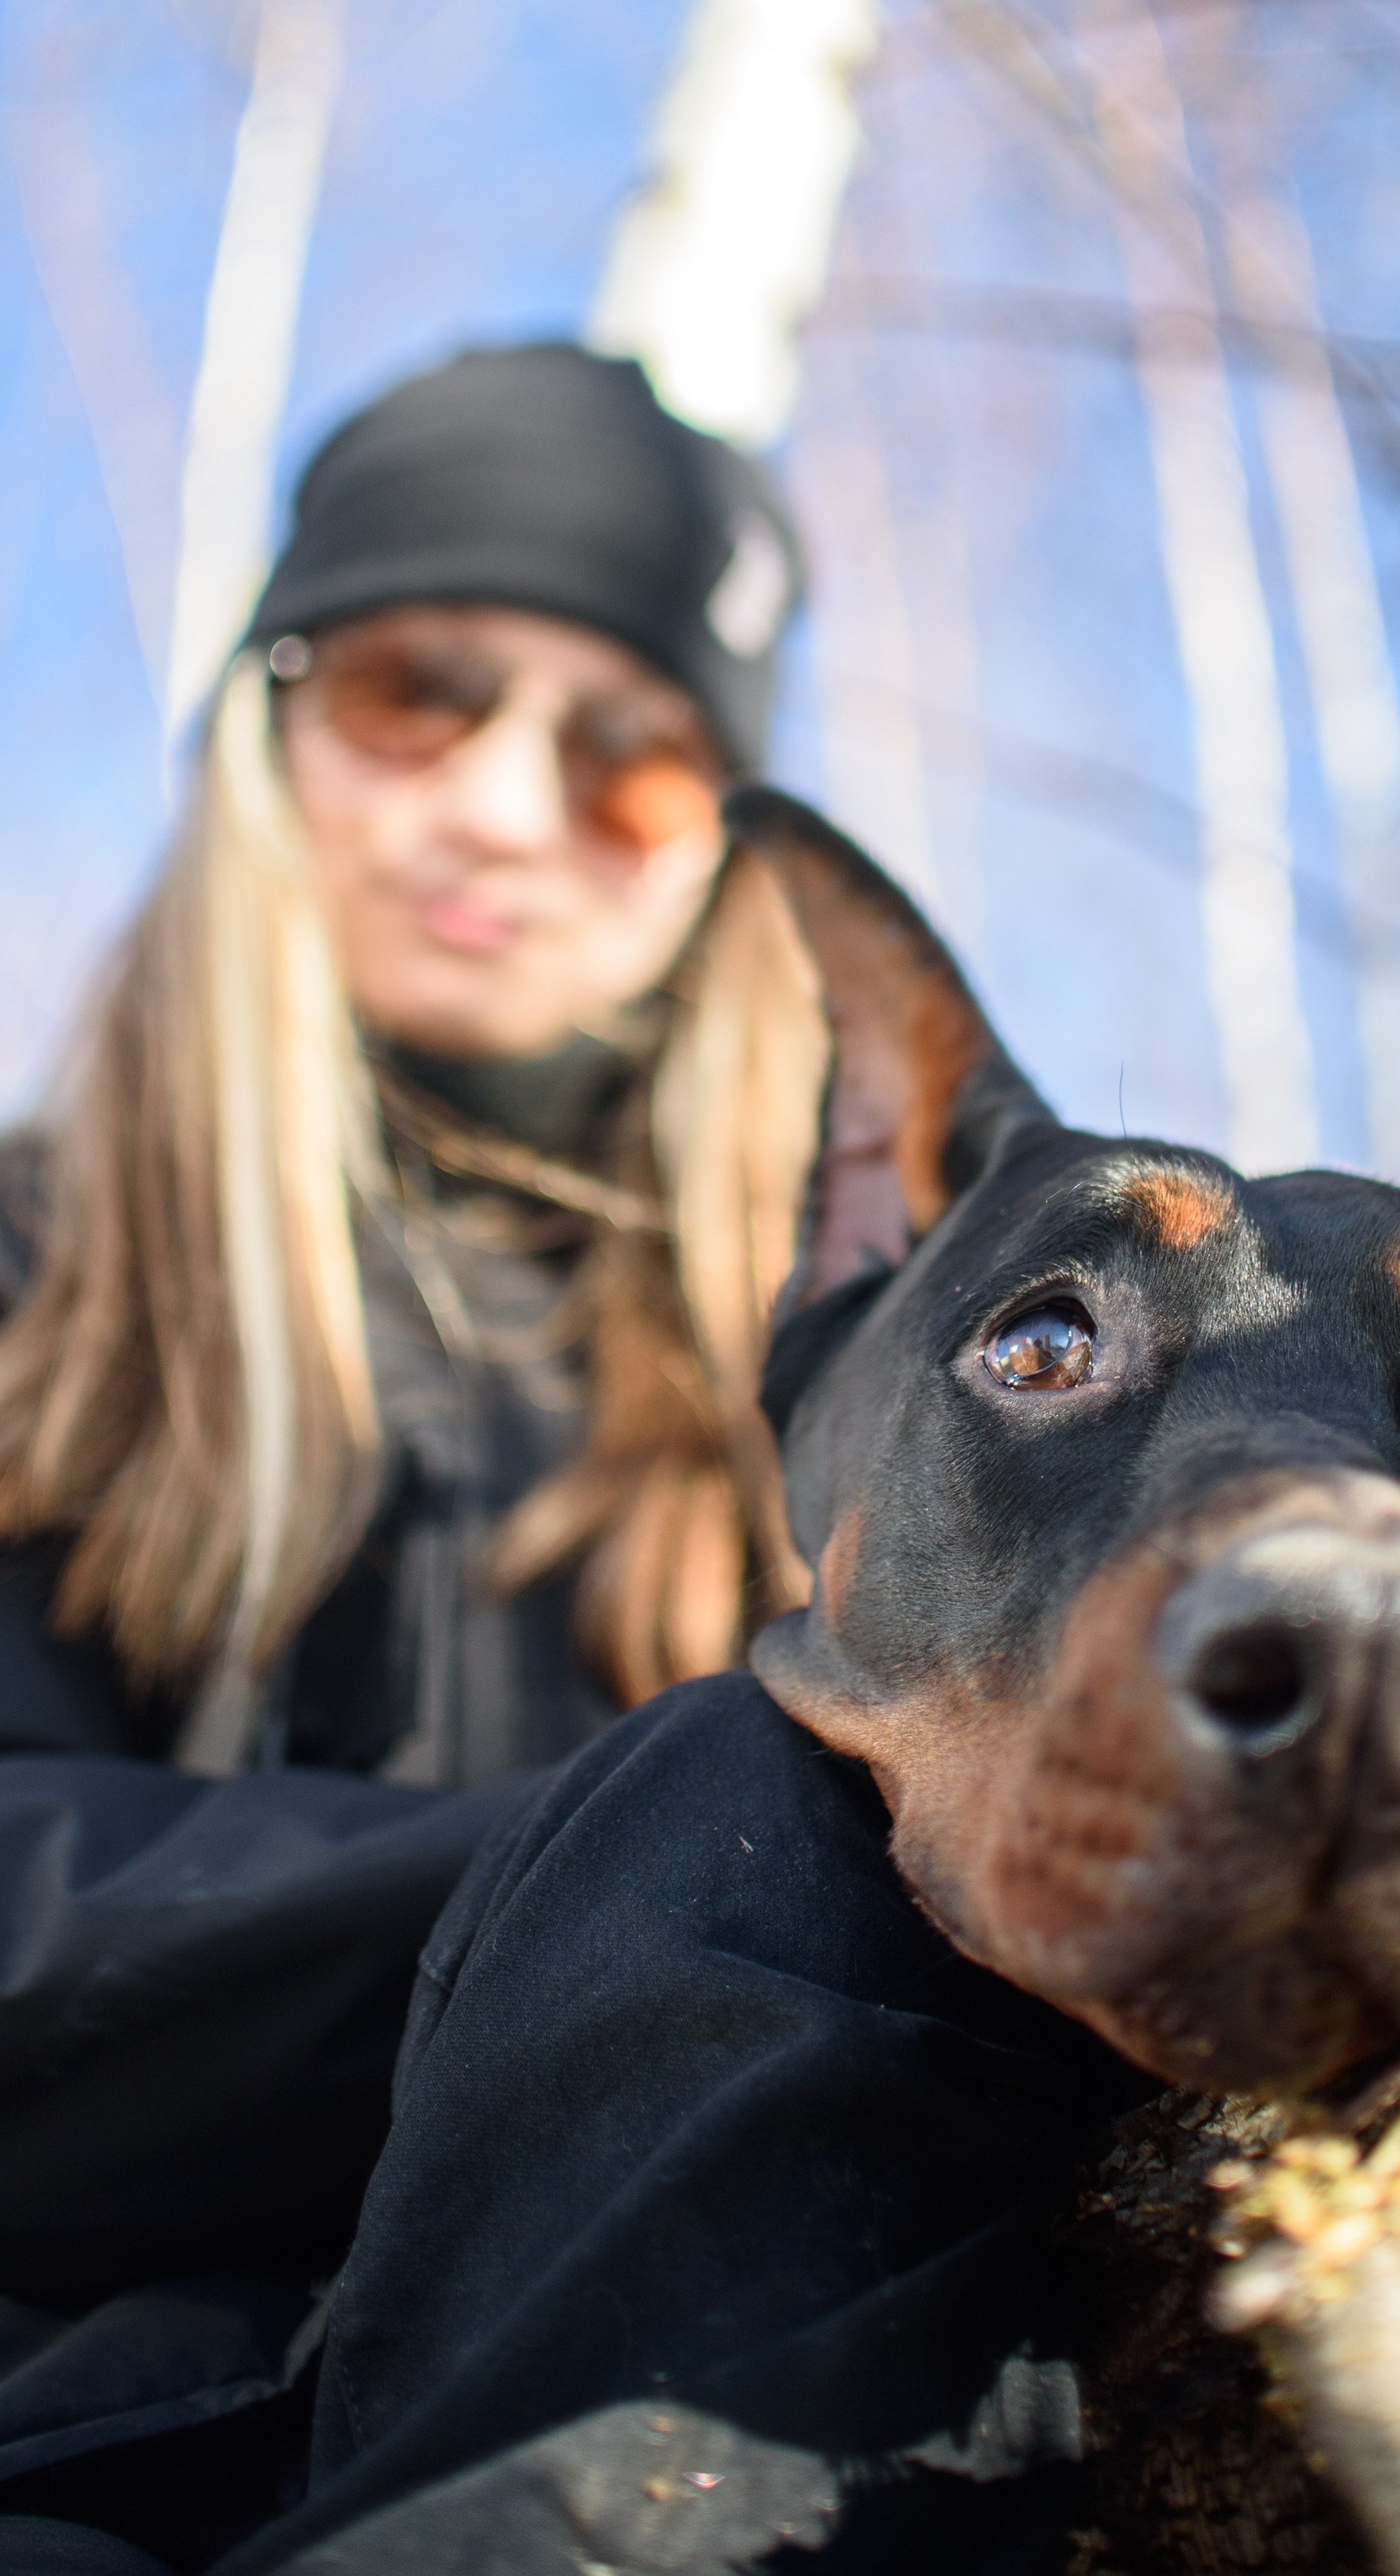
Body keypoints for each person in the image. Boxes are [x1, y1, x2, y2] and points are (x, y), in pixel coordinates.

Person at [0, 343, 827, 2568]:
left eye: (632, 758)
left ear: (721, 860)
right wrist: (675, 1888)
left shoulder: (865, 1374)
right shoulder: (26, 1277)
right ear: (270, 719)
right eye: (417, 689)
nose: (500, 807)